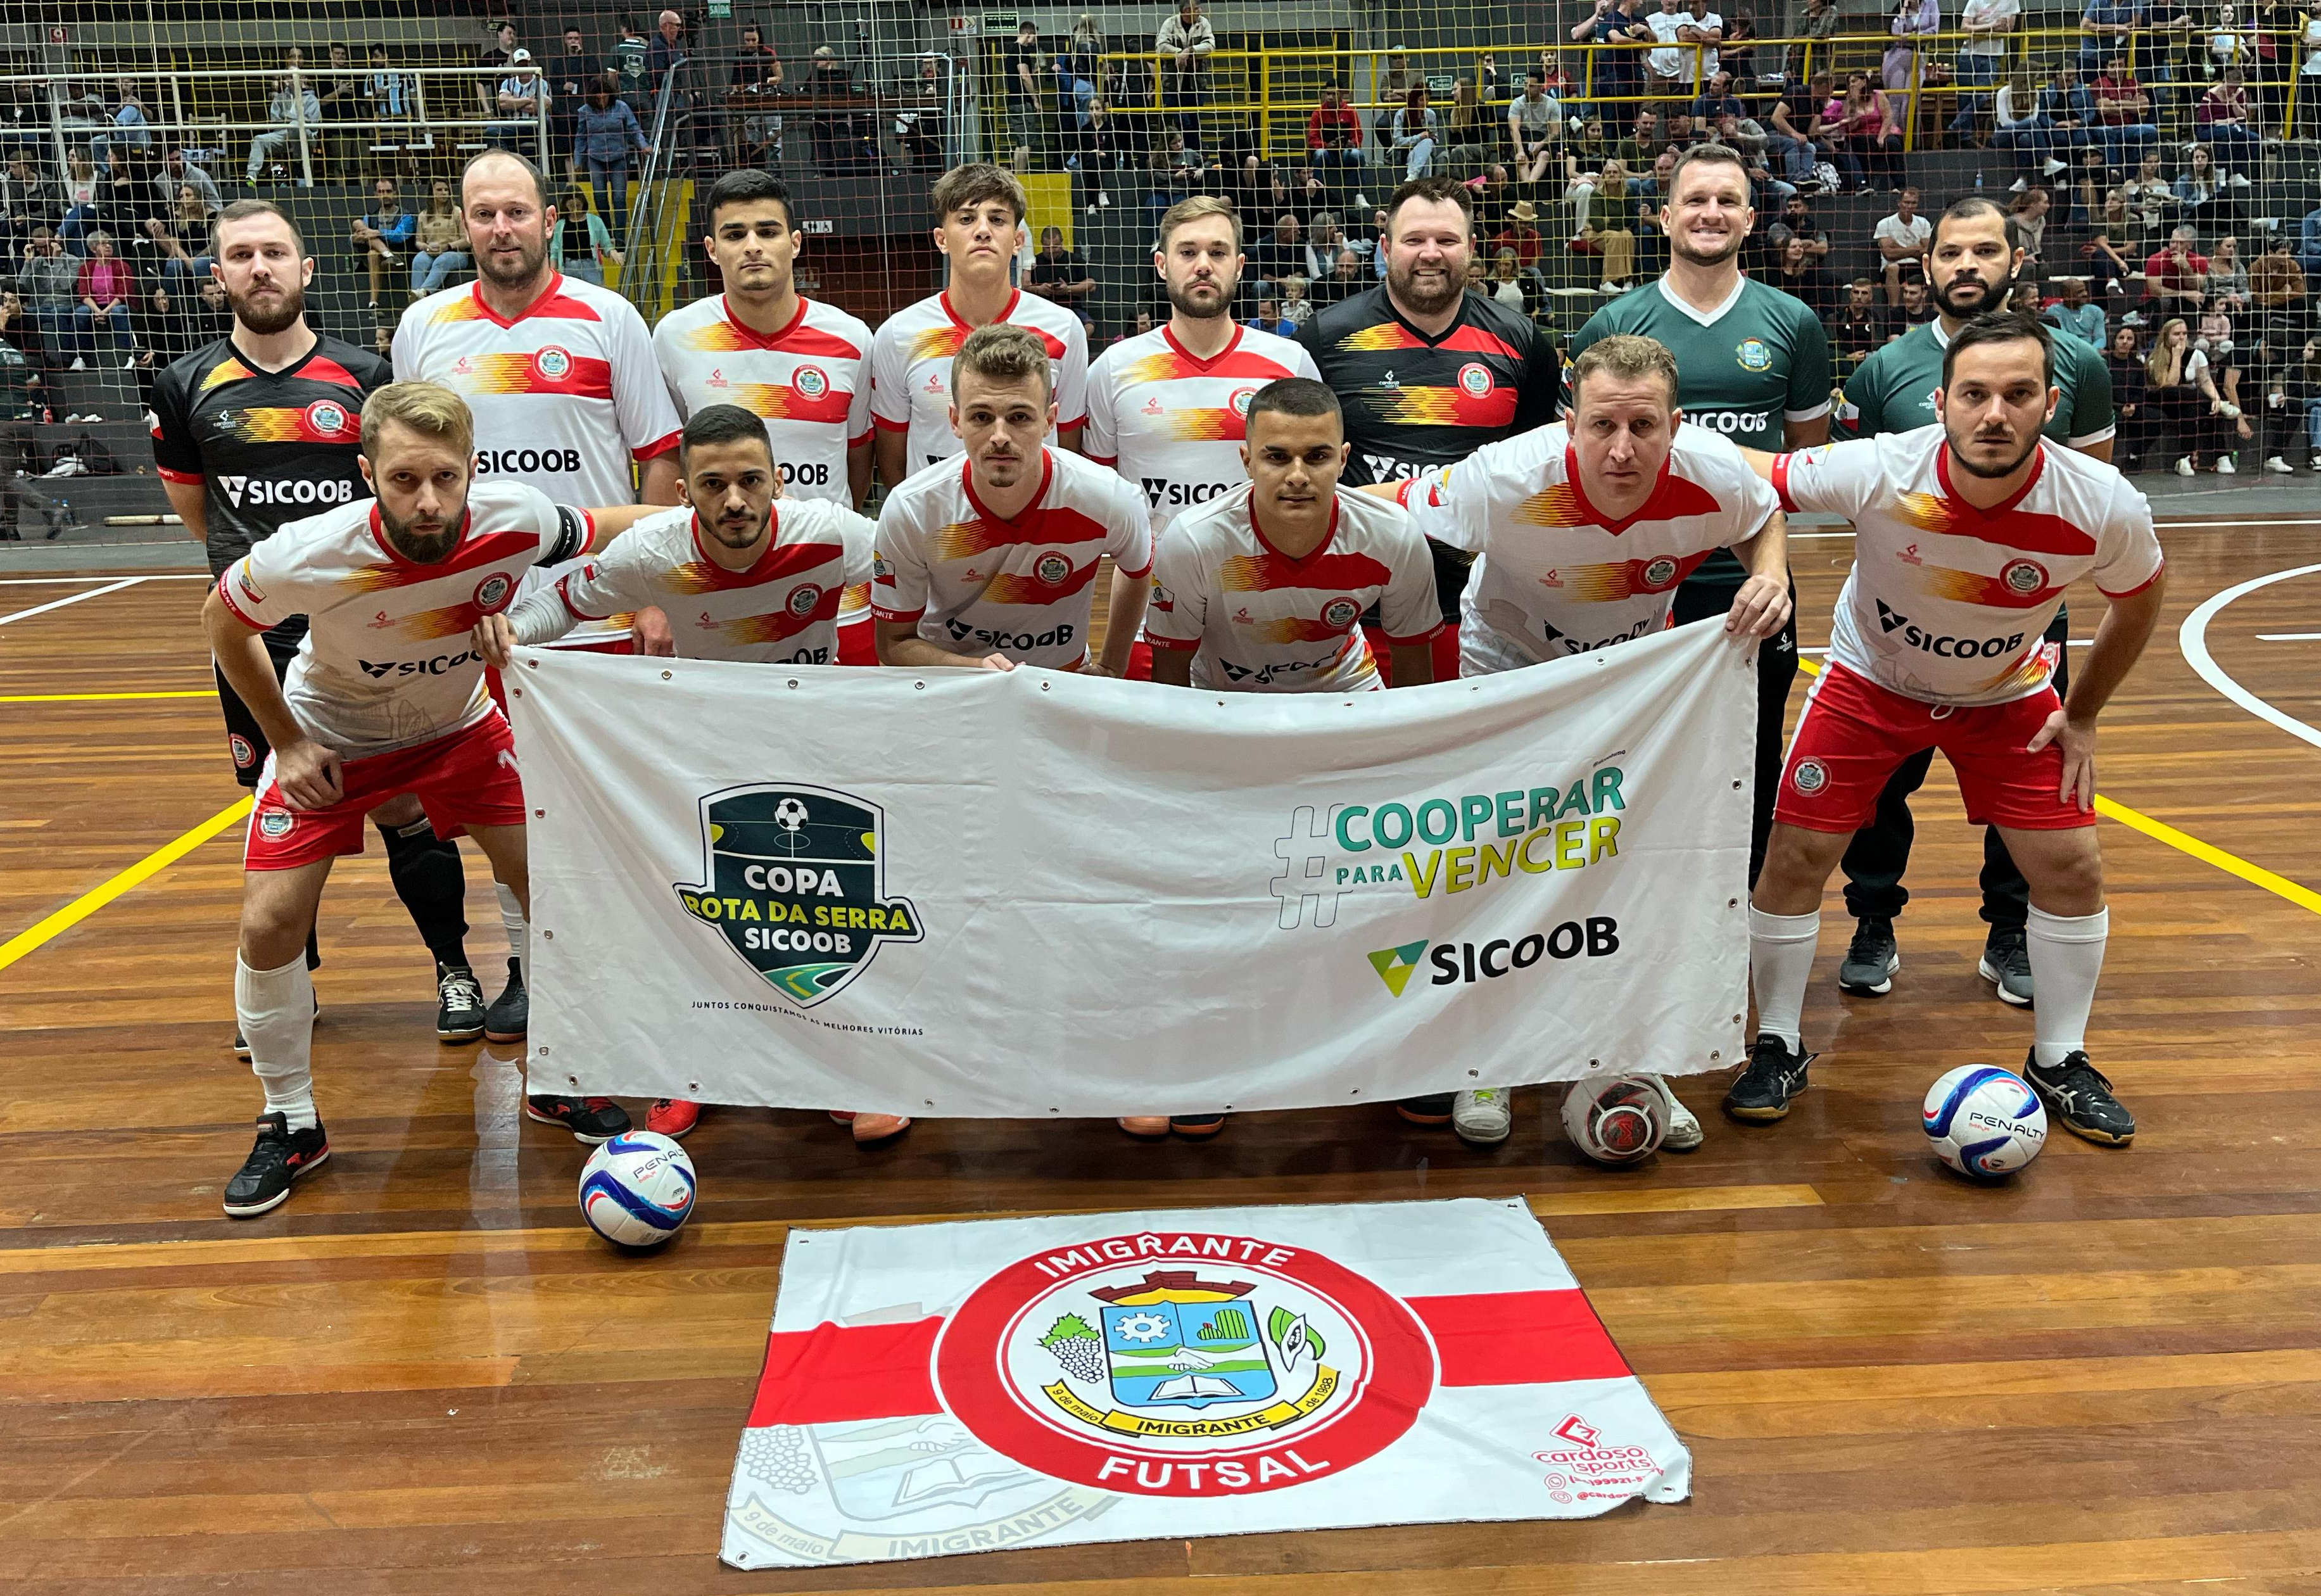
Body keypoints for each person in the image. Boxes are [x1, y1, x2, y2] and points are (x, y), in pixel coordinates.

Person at [200, 380, 659, 1214]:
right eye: (405, 478)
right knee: (269, 922)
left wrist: (694, 552)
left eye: (447, 477)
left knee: (557, 889)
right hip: (332, 740)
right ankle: (290, 1119)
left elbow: (620, 528)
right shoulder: (312, 552)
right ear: (367, 472)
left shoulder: (514, 517)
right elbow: (222, 624)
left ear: (472, 469)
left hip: (460, 732)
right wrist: (289, 742)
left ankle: (560, 1075)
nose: (428, 499)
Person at [1732, 312, 2166, 1147]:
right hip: (1870, 681)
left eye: (2017, 393)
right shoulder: (1883, 470)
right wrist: (1657, 440)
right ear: (1942, 403)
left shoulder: (2099, 502)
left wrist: (2081, 715)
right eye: (1974, 394)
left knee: (2071, 868)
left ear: (2049, 402)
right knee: (1794, 854)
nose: (1994, 413)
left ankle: (2060, 1057)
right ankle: (1777, 1042)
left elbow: (2140, 596)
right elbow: (1764, 476)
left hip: (2006, 694)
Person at [1360, 332, 1791, 1148]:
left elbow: (1763, 514)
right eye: (1601, 427)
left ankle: (1629, 1058)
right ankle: (1479, 1059)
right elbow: (1373, 508)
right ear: (1568, 423)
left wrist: (1768, 574)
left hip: (1629, 686)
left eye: (1642, 428)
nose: (1622, 451)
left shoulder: (1714, 472)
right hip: (1508, 671)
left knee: (1621, 865)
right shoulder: (1501, 480)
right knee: (1491, 860)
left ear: (1675, 425)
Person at [475, 403, 885, 1141]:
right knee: (699, 912)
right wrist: (511, 633)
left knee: (818, 914)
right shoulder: (653, 551)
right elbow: (561, 602)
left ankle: (831, 1065)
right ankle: (687, 1068)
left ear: (778, 482)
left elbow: (912, 567)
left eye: (751, 481)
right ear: (683, 492)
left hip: (815, 751)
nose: (735, 501)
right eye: (714, 484)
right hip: (704, 756)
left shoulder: (829, 535)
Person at [149, 199, 482, 1062]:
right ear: (216, 275)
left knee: (407, 805)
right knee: (284, 807)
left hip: (365, 633)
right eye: (241, 256)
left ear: (306, 269)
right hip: (256, 643)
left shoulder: (362, 376)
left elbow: (404, 501)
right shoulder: (185, 385)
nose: (260, 268)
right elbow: (199, 516)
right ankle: (289, 978)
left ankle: (455, 970)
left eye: (275, 253)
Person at [395, 149, 684, 1045]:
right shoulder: (426, 328)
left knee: (608, 804)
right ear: (464, 225)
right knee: (506, 807)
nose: (501, 229)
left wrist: (648, 589)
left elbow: (659, 457)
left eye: (516, 211)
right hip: (477, 620)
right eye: (484, 214)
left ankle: (632, 962)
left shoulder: (610, 318)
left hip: (590, 605)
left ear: (548, 218)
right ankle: (531, 964)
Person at [1130, 377, 1438, 1136]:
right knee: (1221, 891)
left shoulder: (1392, 537)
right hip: (1227, 716)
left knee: (1383, 885)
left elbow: (1417, 674)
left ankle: (1399, 1052)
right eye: (1275, 456)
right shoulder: (1195, 542)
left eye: (1314, 456)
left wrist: (1408, 768)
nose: (1295, 474)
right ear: (1243, 459)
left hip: (1345, 707)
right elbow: (1168, 676)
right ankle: (1210, 1059)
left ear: (1345, 458)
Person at [1833, 195, 2115, 1004]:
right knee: (1882, 781)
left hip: (2023, 618)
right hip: (1899, 620)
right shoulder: (1883, 370)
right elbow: (1859, 493)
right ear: (1926, 266)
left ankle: (2009, 931)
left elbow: (2092, 493)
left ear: (2013, 261)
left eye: (1984, 251)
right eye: (1951, 253)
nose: (1966, 267)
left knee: (2022, 777)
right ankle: (1872, 918)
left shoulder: (2075, 366)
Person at [1565, 143, 1826, 889]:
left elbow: (1799, 462)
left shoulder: (1792, 323)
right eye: (1693, 199)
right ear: (1664, 215)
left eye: (1724, 200)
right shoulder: (1616, 322)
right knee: (1626, 753)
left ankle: (1732, 903)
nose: (1708, 213)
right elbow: (1580, 460)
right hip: (1630, 586)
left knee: (1750, 753)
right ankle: (1627, 899)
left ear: (1749, 216)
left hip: (1746, 586)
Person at [872, 322, 1151, 681]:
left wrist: (1113, 663)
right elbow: (893, 644)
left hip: (1062, 680)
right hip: (952, 682)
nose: (1000, 437)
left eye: (1019, 417)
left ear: (1050, 420)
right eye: (982, 417)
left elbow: (1138, 569)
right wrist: (980, 670)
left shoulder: (1107, 497)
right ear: (956, 421)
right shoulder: (911, 509)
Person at [869, 163, 1088, 483]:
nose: (983, 230)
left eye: (997, 219)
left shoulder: (1063, 328)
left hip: (1035, 526)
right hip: (938, 527)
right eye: (967, 219)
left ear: (1017, 241)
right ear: (941, 239)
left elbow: (1068, 447)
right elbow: (892, 458)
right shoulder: (899, 334)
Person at [575, 75, 649, 245]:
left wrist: (643, 145)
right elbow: (580, 137)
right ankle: (608, 232)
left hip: (619, 157)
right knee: (600, 196)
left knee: (619, 198)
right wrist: (578, 160)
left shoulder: (621, 107)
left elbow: (633, 129)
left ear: (610, 94)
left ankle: (621, 236)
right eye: (598, 95)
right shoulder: (584, 111)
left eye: (605, 94)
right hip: (595, 158)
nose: (602, 98)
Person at [1952, 0, 2020, 141]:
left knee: (1981, 96)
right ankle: (1963, 137)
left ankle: (1955, 127)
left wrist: (1978, 27)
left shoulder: (2011, 1)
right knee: (1964, 98)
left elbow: (2009, 27)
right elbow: (1964, 28)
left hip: (1992, 55)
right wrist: (1992, 26)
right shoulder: (1975, 1)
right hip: (1968, 54)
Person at [73, 232, 137, 369]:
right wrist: (97, 311)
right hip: (95, 306)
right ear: (93, 248)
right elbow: (84, 294)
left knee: (118, 312)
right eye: (103, 244)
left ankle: (131, 356)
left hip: (117, 304)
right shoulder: (86, 268)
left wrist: (105, 311)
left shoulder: (122, 266)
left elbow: (123, 295)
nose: (108, 246)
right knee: (80, 313)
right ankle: (81, 359)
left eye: (110, 243)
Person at [247, 72, 322, 186]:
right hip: (282, 135)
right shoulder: (279, 98)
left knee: (296, 128)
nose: (294, 80)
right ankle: (251, 176)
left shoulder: (312, 100)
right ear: (286, 80)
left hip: (306, 137)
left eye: (298, 77)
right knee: (259, 140)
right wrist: (292, 124)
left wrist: (290, 121)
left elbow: (312, 123)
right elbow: (275, 121)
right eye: (290, 77)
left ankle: (298, 165)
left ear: (303, 79)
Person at [349, 177, 413, 312]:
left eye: (388, 191)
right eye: (381, 191)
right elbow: (358, 237)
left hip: (400, 258)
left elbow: (401, 236)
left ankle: (373, 301)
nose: (385, 195)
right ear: (376, 194)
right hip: (377, 259)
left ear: (395, 193)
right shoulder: (371, 216)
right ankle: (374, 303)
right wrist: (355, 238)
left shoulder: (405, 215)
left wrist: (378, 233)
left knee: (372, 250)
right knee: (360, 229)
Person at [1156, 0, 1215, 139]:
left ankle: (1193, 156)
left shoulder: (1203, 23)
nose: (1200, 11)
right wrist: (1178, 53)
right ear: (1187, 11)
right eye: (1197, 8)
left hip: (1196, 83)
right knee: (1180, 123)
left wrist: (1190, 51)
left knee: (1194, 124)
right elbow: (1161, 46)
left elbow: (1211, 45)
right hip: (1173, 84)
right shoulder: (1170, 23)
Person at [408, 178, 467, 298]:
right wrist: (426, 248)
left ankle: (424, 293)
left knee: (443, 260)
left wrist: (448, 247)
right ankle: (414, 297)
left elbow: (466, 240)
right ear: (431, 193)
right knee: (419, 260)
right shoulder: (424, 215)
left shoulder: (457, 212)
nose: (444, 192)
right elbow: (419, 242)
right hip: (431, 251)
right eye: (440, 190)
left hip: (455, 253)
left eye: (446, 190)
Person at [1874, 186, 1930, 306]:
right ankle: (1894, 310)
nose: (1909, 206)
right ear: (1899, 203)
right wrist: (1915, 249)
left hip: (1917, 266)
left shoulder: (1924, 223)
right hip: (1892, 268)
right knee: (1893, 267)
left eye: (1913, 203)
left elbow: (1926, 251)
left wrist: (1897, 247)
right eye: (1906, 202)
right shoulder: (1885, 224)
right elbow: (1889, 254)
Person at [2145, 225, 2210, 315]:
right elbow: (2155, 291)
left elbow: (2195, 288)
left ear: (2190, 245)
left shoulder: (2201, 261)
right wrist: (2184, 294)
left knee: (2196, 302)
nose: (2174, 246)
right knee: (2165, 302)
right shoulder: (2156, 259)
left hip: (2185, 302)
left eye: (2180, 243)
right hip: (2159, 301)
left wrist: (2186, 267)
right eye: (2172, 241)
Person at [1830, 277, 1893, 367]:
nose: (1859, 297)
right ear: (1850, 294)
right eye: (1856, 292)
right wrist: (1847, 356)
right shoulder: (1836, 317)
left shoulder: (1875, 319)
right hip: (1842, 364)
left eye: (1864, 293)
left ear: (1870, 297)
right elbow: (1827, 350)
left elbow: (1881, 348)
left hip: (1867, 364)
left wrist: (1868, 357)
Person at [2046, 274, 2106, 345]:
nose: (2085, 294)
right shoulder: (2054, 311)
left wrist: (2092, 352)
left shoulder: (2096, 311)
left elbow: (2100, 339)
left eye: (2085, 290)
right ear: (2066, 295)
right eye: (2080, 292)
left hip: (2090, 351)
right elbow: (2063, 338)